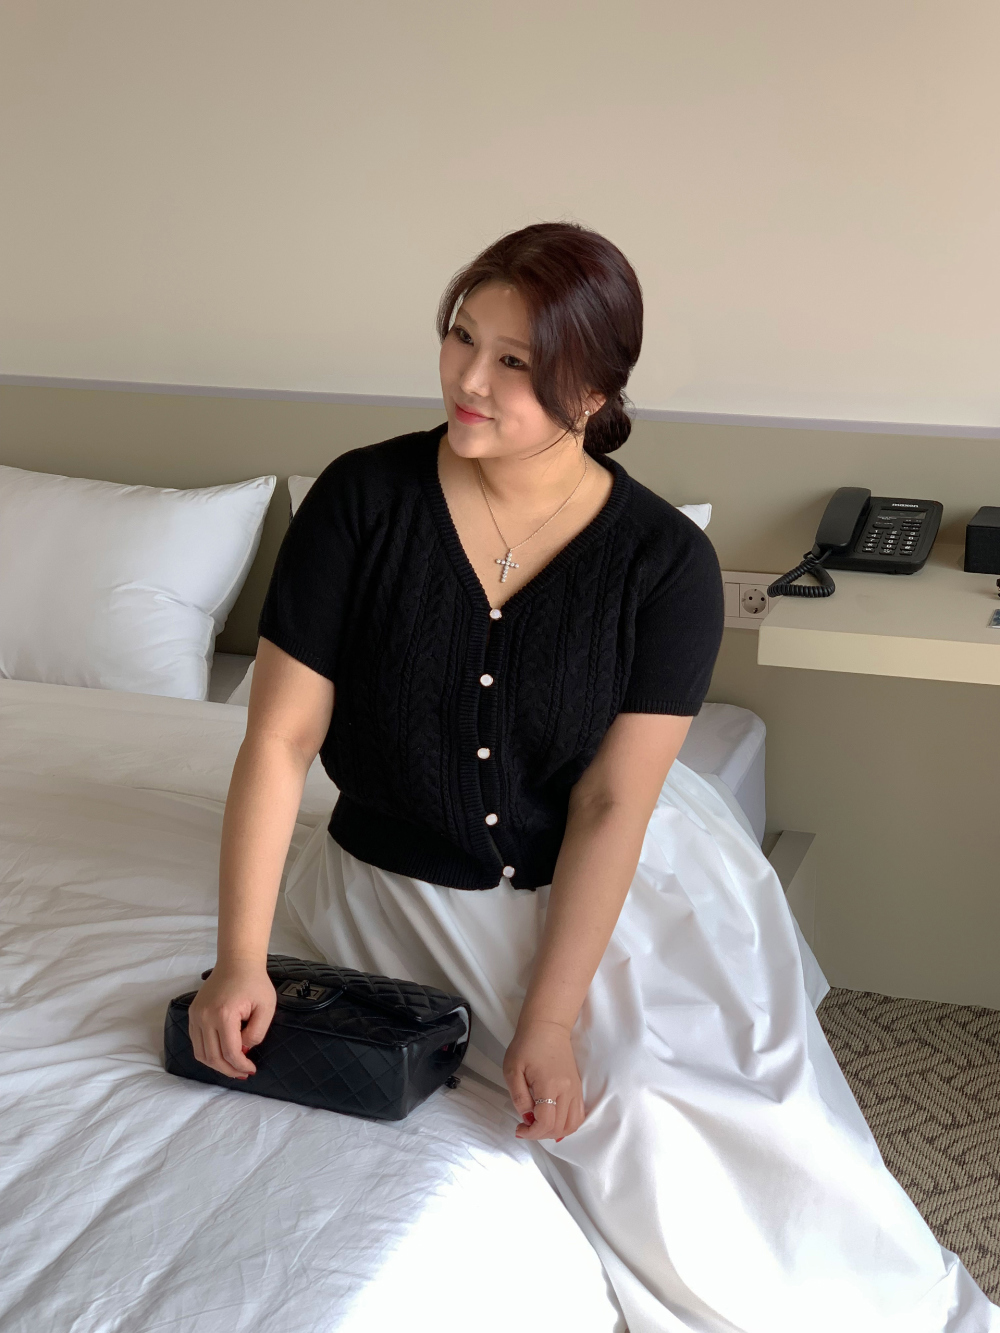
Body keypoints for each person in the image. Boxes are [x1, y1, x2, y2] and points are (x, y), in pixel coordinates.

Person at [189, 222, 999, 1332]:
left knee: (673, 1106)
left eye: (515, 362)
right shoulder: (360, 500)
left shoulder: (664, 564)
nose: (470, 380)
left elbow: (614, 799)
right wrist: (239, 961)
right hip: (385, 890)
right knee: (595, 1124)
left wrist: (552, 1016)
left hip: (589, 876)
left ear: (595, 389)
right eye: (461, 336)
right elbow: (279, 741)